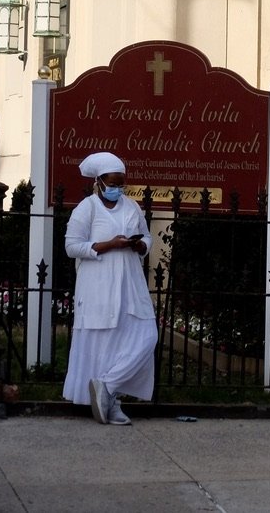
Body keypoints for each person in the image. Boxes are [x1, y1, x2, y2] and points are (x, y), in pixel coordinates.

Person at [62, 151, 157, 425]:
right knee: (106, 343)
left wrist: (140, 245)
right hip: (98, 284)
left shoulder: (132, 206)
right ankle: (110, 402)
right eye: (113, 183)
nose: (117, 188)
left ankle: (107, 386)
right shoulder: (87, 208)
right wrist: (109, 245)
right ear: (99, 181)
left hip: (130, 282)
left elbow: (147, 235)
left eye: (121, 184)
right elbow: (71, 246)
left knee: (146, 335)